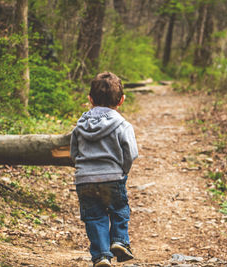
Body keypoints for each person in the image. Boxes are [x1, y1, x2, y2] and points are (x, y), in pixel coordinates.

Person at [70, 72, 138, 267]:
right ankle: (119, 241)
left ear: (90, 99)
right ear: (122, 100)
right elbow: (131, 153)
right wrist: (122, 170)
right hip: (112, 177)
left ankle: (101, 256)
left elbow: (74, 152)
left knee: (94, 217)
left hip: (85, 180)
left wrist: (82, 169)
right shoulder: (123, 125)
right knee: (119, 209)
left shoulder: (80, 126)